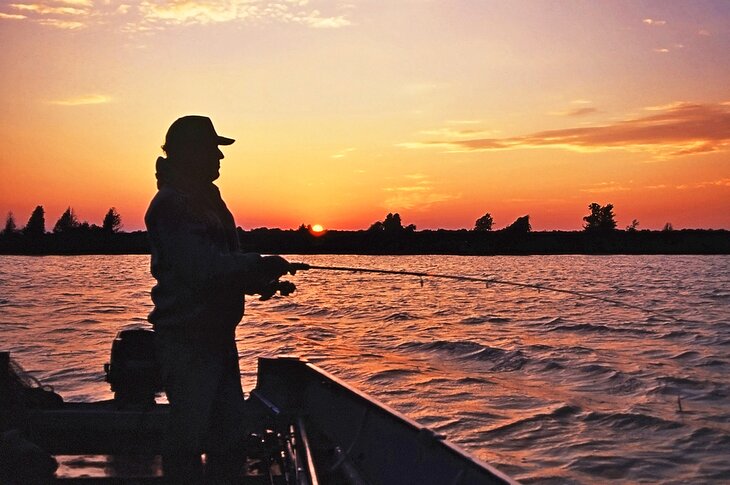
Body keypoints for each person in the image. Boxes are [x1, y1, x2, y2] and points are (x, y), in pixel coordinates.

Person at [145, 115, 295, 482]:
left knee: (228, 436)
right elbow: (202, 267)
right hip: (187, 340)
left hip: (216, 339)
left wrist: (263, 281)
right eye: (213, 149)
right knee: (188, 437)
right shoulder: (171, 204)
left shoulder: (202, 201)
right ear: (190, 152)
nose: (220, 157)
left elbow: (215, 271)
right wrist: (259, 264)